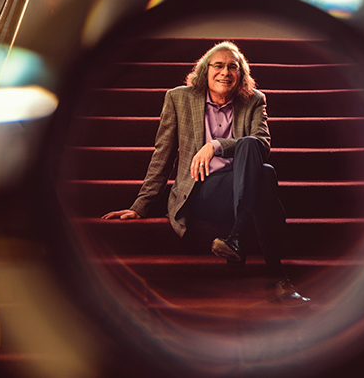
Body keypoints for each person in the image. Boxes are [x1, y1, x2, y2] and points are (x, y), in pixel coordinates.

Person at [102, 41, 309, 304]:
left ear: (241, 75)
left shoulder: (254, 100)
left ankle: (238, 237)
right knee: (265, 178)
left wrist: (216, 146)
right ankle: (278, 278)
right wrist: (141, 205)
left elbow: (262, 144)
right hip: (202, 190)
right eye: (218, 66)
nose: (225, 72)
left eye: (233, 67)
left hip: (240, 184)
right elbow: (163, 153)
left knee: (260, 164)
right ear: (205, 70)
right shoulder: (179, 98)